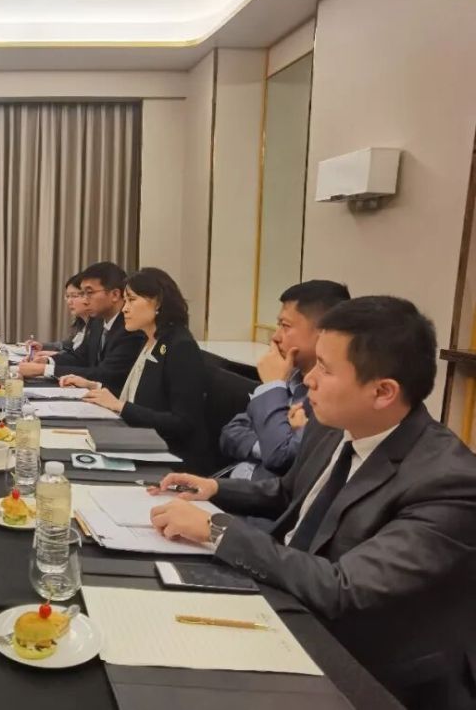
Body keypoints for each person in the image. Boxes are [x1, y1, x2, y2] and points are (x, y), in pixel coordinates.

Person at [149, 296, 476, 710]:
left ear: (382, 392)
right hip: (284, 601)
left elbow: (344, 588)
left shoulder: (448, 482)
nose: (309, 380)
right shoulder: (333, 425)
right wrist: (215, 489)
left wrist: (217, 530)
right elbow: (291, 494)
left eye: (325, 368)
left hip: (362, 664)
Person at [61, 268, 209, 471]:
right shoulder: (150, 339)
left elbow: (183, 423)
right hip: (138, 440)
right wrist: (94, 386)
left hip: (168, 458)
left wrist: (121, 407)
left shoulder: (180, 347)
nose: (125, 309)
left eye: (131, 300)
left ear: (158, 302)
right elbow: (141, 397)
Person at [221, 280, 350, 480]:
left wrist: (273, 386)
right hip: (234, 484)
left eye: (285, 326)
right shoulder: (290, 376)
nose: (275, 337)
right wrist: (267, 444)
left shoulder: (329, 395)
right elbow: (231, 433)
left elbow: (281, 457)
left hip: (262, 496)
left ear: (323, 332)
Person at [18, 262, 145, 394]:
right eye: (82, 294)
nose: (84, 300)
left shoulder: (130, 328)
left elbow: (106, 374)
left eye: (89, 293)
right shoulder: (97, 320)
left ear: (115, 295)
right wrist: (47, 361)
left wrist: (45, 370)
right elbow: (80, 357)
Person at [28, 274, 89, 358]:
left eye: (74, 296)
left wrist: (52, 356)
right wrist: (42, 346)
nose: (69, 302)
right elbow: (66, 345)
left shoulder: (98, 327)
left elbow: (82, 358)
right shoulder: (80, 322)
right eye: (67, 296)